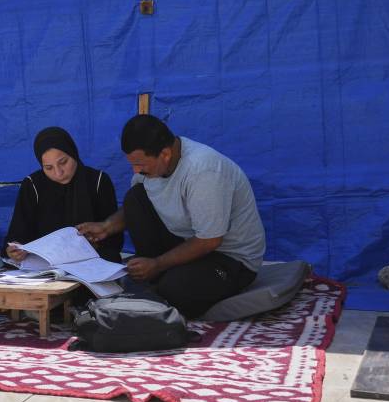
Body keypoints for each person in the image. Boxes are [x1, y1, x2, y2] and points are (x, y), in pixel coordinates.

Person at [77, 114, 265, 318]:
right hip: (185, 242)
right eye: (132, 164)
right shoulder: (151, 168)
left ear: (165, 154)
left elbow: (210, 240)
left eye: (140, 164)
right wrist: (105, 227)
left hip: (228, 258)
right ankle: (153, 277)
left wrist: (158, 264)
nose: (135, 170)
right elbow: (135, 208)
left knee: (174, 289)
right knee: (135, 197)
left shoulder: (203, 171)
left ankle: (157, 281)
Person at [3, 126, 123, 263]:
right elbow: (18, 233)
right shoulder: (33, 185)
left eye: (63, 162)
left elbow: (114, 239)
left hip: (91, 262)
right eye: (48, 168)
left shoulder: (98, 181)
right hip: (46, 266)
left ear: (73, 153)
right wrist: (14, 250)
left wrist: (93, 245)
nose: (58, 173)